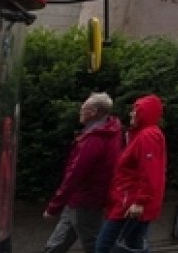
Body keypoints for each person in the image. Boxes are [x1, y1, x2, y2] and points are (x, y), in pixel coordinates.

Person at [43, 93, 123, 253]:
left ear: (93, 112)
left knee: (95, 245)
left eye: (84, 106)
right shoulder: (110, 132)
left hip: (85, 201)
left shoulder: (94, 139)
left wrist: (54, 206)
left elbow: (75, 174)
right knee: (57, 243)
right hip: (80, 200)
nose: (80, 109)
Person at [94, 95, 167, 253]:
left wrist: (140, 201)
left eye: (136, 110)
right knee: (133, 245)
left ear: (145, 113)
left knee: (104, 246)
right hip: (130, 202)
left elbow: (150, 171)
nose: (131, 113)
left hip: (129, 204)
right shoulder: (142, 135)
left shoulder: (147, 136)